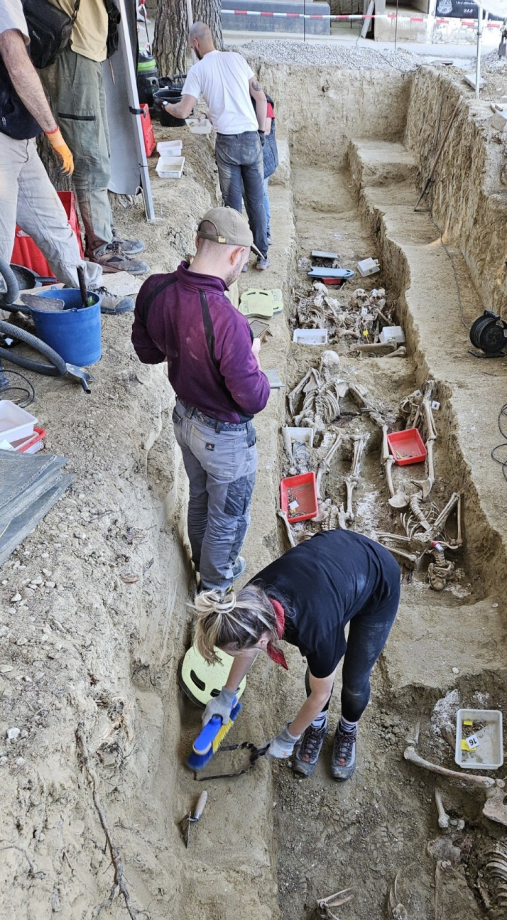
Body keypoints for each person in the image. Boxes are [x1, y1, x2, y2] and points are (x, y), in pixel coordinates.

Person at [131, 208, 269, 592]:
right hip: (225, 437)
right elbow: (254, 398)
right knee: (228, 516)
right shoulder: (229, 321)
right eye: (244, 260)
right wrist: (253, 358)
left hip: (185, 420)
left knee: (201, 496)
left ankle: (202, 562)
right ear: (237, 256)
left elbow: (148, 352)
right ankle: (214, 589)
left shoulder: (155, 289)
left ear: (197, 243)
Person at [193, 530, 402, 782]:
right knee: (318, 669)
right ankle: (317, 724)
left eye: (238, 651)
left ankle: (347, 728)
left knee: (355, 680)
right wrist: (227, 695)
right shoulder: (248, 603)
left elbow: (321, 692)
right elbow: (247, 646)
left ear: (261, 640)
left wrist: (289, 737)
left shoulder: (315, 629)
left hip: (377, 580)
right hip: (334, 571)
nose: (239, 655)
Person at [0, 0, 133, 314]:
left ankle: (88, 289)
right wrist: (54, 134)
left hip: (16, 130)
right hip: (3, 137)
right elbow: (18, 66)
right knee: (1, 248)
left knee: (54, 225)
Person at [43, 0, 148, 275]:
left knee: (99, 151)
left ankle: (105, 237)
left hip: (89, 51)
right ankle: (99, 248)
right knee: (90, 158)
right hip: (74, 50)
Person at [162, 23, 270, 272]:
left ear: (195, 43)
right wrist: (262, 132)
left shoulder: (198, 70)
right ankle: (262, 254)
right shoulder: (236, 59)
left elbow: (182, 111)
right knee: (256, 200)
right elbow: (260, 97)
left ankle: (238, 258)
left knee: (233, 206)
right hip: (252, 138)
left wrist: (165, 104)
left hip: (228, 144)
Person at [261, 95, 278, 246]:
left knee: (261, 193)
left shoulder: (264, 102)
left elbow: (266, 129)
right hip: (248, 154)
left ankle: (265, 231)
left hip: (263, 156)